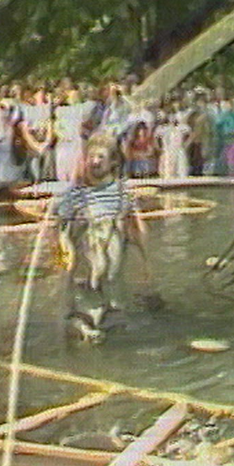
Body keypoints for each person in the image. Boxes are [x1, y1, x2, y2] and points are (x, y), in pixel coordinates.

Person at [56, 133, 156, 342]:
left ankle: (109, 316)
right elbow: (61, 231)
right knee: (85, 306)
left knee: (115, 313)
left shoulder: (122, 192)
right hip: (87, 267)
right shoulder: (75, 193)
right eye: (90, 157)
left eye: (100, 157)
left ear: (112, 162)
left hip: (112, 269)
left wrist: (146, 263)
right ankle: (82, 323)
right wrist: (65, 260)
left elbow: (136, 228)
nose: (94, 162)